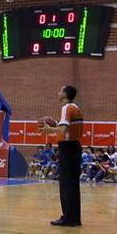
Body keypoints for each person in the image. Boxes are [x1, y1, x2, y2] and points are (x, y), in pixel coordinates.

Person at [39, 85, 83, 227]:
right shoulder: (76, 107)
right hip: (75, 147)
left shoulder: (66, 108)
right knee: (73, 185)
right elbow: (67, 128)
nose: (57, 92)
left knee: (65, 184)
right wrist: (56, 124)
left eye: (60, 90)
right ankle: (75, 218)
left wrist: (49, 129)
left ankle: (67, 218)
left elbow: (63, 130)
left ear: (65, 94)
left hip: (68, 148)